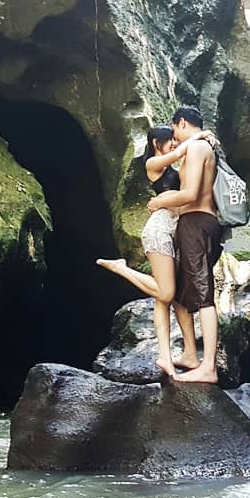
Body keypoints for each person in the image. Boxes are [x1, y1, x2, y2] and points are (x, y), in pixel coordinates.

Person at [96, 124, 212, 378]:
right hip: (159, 231)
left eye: (174, 139)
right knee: (166, 291)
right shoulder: (154, 164)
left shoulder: (174, 167)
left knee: (172, 299)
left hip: (176, 233)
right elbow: (177, 155)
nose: (173, 143)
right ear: (156, 144)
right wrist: (197, 137)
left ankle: (173, 358)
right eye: (168, 140)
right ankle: (121, 268)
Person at [146, 106, 222, 384]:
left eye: (176, 130)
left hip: (196, 222)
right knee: (180, 294)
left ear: (180, 124)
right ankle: (191, 355)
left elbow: (189, 194)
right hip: (193, 224)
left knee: (203, 295)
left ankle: (208, 367)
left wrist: (159, 202)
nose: (175, 138)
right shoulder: (202, 146)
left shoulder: (198, 148)